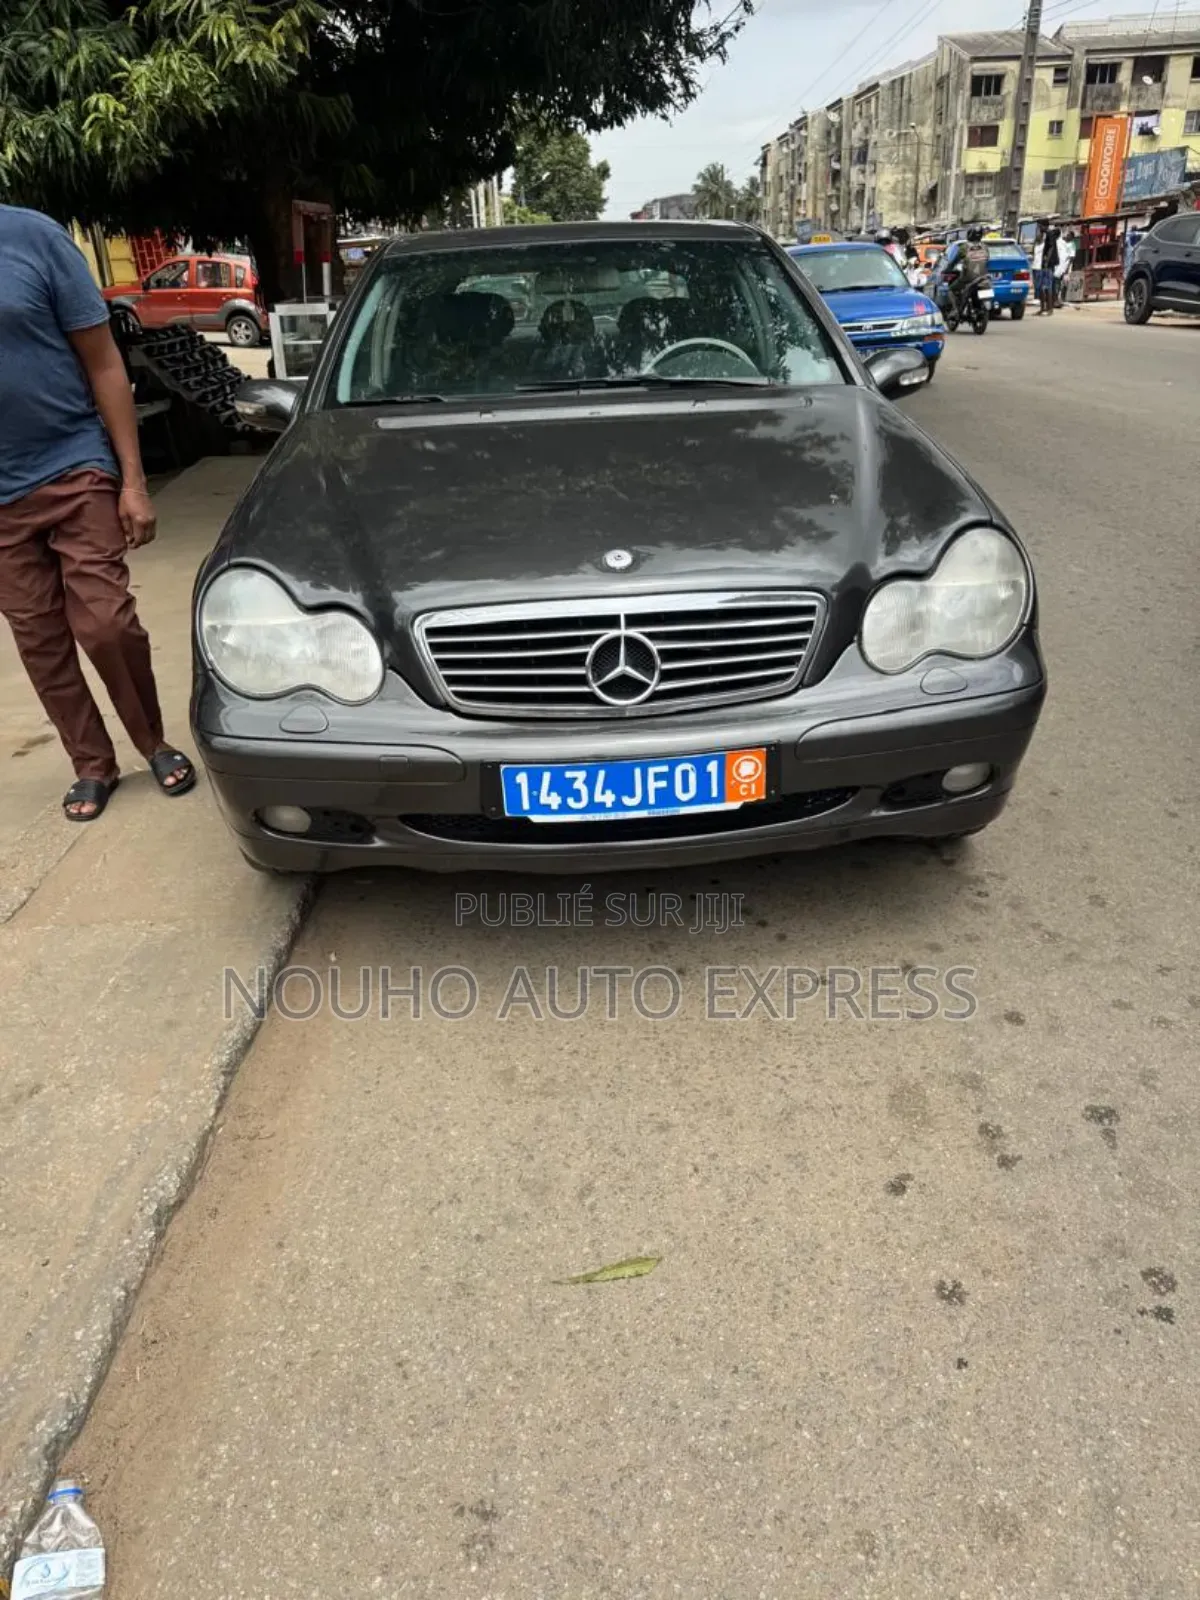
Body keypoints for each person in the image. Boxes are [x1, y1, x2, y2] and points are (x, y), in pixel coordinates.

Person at [0, 204, 195, 822]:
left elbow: (104, 361)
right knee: (39, 639)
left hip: (72, 461)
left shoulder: (33, 238)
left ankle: (152, 742)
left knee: (106, 623)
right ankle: (91, 763)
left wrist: (132, 481)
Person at [1034, 225, 1060, 315]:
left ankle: (1050, 309)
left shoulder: (1047, 241)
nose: (1037, 234)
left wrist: (1047, 262)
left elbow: (1051, 250)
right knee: (1040, 288)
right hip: (1037, 267)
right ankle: (1042, 308)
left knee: (1047, 287)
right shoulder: (1037, 244)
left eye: (1038, 232)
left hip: (1046, 266)